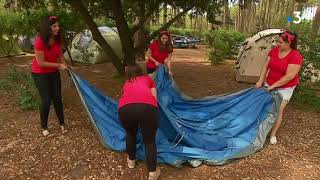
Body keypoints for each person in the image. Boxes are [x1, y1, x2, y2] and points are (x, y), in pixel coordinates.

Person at [255, 30, 303, 145]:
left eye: (280, 42)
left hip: (285, 88)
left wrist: (273, 87)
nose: (278, 44)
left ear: (289, 43)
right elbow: (266, 66)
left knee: (278, 110)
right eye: (278, 41)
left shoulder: (296, 56)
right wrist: (260, 81)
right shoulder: (274, 51)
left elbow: (289, 76)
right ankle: (260, 130)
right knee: (265, 107)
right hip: (269, 83)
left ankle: (273, 134)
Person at [118, 64, 160, 180]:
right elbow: (154, 98)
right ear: (140, 71)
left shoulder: (127, 83)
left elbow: (124, 96)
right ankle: (152, 173)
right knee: (149, 141)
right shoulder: (148, 79)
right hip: (147, 108)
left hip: (125, 109)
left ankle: (131, 161)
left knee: (131, 134)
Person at [32, 15, 69, 136]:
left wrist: (65, 66)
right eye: (54, 26)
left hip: (53, 73)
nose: (57, 28)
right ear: (48, 28)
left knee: (58, 98)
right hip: (40, 74)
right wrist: (59, 66)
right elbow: (41, 63)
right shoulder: (39, 42)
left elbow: (60, 55)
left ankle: (62, 124)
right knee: (46, 100)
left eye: (58, 26)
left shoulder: (58, 39)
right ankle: (44, 126)